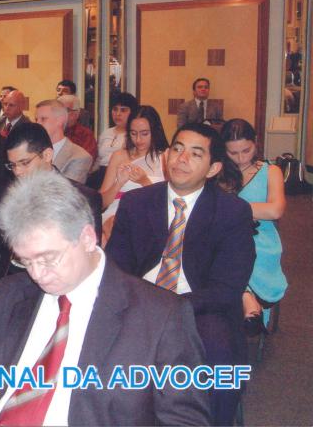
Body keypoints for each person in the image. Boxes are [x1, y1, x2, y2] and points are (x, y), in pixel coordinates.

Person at [0, 172, 210, 425]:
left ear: (87, 238)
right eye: (26, 261)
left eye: (48, 258)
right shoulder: (11, 294)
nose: (37, 274)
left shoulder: (161, 317)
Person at [106, 123, 255, 425]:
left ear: (213, 168)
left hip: (200, 308)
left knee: (219, 361)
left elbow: (227, 287)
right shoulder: (137, 202)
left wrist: (173, 307)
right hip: (139, 303)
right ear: (166, 156)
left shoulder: (232, 211)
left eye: (195, 154)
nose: (181, 159)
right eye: (177, 149)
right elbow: (115, 267)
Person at [221, 119, 287, 332]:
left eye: (246, 151)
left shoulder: (270, 171)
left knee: (236, 254)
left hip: (260, 239)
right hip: (224, 237)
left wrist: (231, 208)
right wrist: (251, 210)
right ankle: (247, 299)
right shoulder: (218, 170)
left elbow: (275, 210)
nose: (241, 158)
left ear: (255, 143)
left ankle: (245, 298)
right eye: (233, 153)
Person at [99, 106, 168, 243]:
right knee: (116, 225)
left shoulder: (165, 157)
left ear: (155, 131)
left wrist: (144, 181)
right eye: (133, 133)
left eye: (144, 134)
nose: (138, 140)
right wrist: (119, 183)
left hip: (150, 212)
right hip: (116, 210)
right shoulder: (119, 156)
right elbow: (101, 202)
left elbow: (166, 200)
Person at [88, 92, 138, 189]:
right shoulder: (106, 133)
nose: (118, 114)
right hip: (100, 175)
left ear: (132, 112)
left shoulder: (134, 135)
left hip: (120, 176)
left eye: (123, 110)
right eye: (115, 109)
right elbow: (98, 160)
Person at [35, 99, 93, 184]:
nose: (37, 124)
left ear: (60, 120)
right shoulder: (32, 151)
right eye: (36, 119)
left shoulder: (80, 157)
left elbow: (65, 190)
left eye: (43, 119)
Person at [57, 94, 97, 160]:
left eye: (66, 110)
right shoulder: (51, 131)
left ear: (76, 114)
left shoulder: (85, 135)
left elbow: (86, 159)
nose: (60, 113)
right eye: (58, 110)